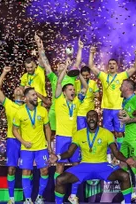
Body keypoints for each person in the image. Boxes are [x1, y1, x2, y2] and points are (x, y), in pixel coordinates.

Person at [50, 110, 136, 204]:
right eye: (89, 116)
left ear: (98, 119)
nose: (91, 118)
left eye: (94, 116)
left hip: (103, 166)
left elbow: (116, 152)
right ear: (86, 119)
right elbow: (69, 152)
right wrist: (57, 157)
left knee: (125, 175)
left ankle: (128, 202)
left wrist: (126, 159)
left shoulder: (107, 133)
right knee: (60, 179)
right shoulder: (79, 134)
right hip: (84, 166)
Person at [88, 46, 136, 159]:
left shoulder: (121, 76)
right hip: (106, 109)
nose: (111, 65)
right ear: (108, 66)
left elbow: (135, 67)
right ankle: (108, 156)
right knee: (108, 134)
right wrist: (91, 53)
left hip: (119, 109)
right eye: (110, 63)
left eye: (114, 64)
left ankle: (120, 155)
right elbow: (91, 66)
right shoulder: (103, 76)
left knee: (119, 133)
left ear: (117, 66)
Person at [54, 61, 88, 204]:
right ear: (64, 92)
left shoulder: (76, 102)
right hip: (62, 137)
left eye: (73, 89)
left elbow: (85, 87)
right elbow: (58, 83)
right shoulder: (58, 100)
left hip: (74, 138)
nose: (73, 91)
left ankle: (73, 195)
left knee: (76, 165)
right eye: (70, 90)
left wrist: (78, 73)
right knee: (60, 166)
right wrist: (66, 69)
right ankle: (58, 198)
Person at [12, 87, 52, 204]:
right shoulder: (19, 112)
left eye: (36, 95)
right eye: (33, 95)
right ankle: (28, 199)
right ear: (27, 98)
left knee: (44, 171)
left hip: (41, 147)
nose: (36, 97)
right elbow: (15, 130)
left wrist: (49, 144)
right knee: (26, 172)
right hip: (26, 148)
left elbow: (47, 127)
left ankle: (39, 197)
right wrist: (23, 142)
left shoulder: (42, 111)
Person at [0, 66, 24, 204]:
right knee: (11, 169)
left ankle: (28, 197)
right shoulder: (9, 104)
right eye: (16, 88)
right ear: (13, 94)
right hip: (12, 140)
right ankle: (11, 198)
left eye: (21, 88)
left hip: (26, 141)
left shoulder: (29, 105)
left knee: (27, 170)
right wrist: (4, 72)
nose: (18, 88)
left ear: (24, 94)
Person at [20, 34, 47, 104]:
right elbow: (21, 89)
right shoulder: (24, 77)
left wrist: (39, 46)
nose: (29, 69)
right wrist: (23, 90)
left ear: (35, 65)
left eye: (31, 67)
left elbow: (42, 58)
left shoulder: (39, 70)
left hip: (41, 101)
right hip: (29, 102)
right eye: (27, 67)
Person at [75, 66, 99, 130]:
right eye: (83, 75)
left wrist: (92, 95)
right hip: (79, 112)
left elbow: (97, 94)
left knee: (90, 131)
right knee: (81, 131)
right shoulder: (76, 83)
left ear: (90, 74)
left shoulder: (93, 83)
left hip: (90, 112)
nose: (85, 77)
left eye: (87, 75)